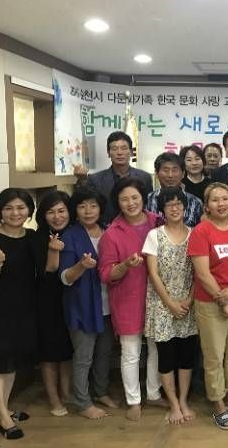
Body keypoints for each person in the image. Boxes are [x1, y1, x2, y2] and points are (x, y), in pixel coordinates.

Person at [98, 177, 165, 421]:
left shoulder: (158, 223)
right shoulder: (111, 234)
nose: (131, 203)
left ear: (143, 197)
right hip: (128, 298)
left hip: (158, 297)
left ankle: (154, 394)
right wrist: (125, 265)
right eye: (124, 199)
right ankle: (133, 400)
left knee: (157, 348)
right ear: (117, 202)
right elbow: (106, 274)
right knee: (131, 351)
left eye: (135, 197)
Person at [187, 182, 228, 430]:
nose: (221, 204)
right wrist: (223, 300)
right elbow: (202, 273)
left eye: (225, 198)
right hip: (210, 302)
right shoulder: (201, 231)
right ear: (207, 206)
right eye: (215, 200)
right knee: (214, 354)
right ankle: (218, 403)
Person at [60, 186, 117, 419]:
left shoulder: (109, 231)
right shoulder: (70, 235)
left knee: (104, 353)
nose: (88, 210)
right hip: (82, 306)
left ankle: (101, 392)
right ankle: (83, 402)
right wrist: (81, 266)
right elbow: (65, 278)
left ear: (100, 208)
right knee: (84, 357)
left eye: (93, 205)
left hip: (109, 304)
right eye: (82, 206)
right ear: (75, 210)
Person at [0, 189, 38, 440]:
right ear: (0, 211)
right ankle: (4, 420)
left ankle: (2, 409)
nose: (15, 213)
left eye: (20, 207)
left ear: (29, 210)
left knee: (12, 363)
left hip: (24, 309)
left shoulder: (32, 237)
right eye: (8, 208)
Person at [143, 186, 197, 425]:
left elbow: (199, 272)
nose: (174, 208)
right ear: (162, 210)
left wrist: (188, 300)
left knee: (186, 356)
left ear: (185, 207)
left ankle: (183, 400)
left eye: (178, 203)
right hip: (162, 304)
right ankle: (173, 403)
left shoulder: (195, 234)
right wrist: (170, 304)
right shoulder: (154, 235)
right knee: (166, 357)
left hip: (188, 303)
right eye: (169, 204)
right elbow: (153, 274)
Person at [33, 191, 73, 417]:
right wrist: (53, 249)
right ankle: (53, 398)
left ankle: (66, 393)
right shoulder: (38, 237)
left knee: (67, 349)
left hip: (71, 297)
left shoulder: (74, 232)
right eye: (50, 212)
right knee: (49, 351)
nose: (57, 217)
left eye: (61, 211)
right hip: (47, 299)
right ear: (43, 215)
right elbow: (49, 271)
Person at [74, 131, 153, 225]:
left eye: (124, 148)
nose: (119, 153)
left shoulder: (144, 177)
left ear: (131, 152)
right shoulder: (95, 179)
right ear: (108, 153)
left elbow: (148, 207)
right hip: (107, 228)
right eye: (114, 149)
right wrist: (82, 180)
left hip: (137, 228)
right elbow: (84, 201)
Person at [146, 152, 203, 227]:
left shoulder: (195, 203)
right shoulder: (146, 200)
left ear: (183, 174)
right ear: (156, 173)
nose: (170, 175)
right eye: (166, 170)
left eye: (175, 170)